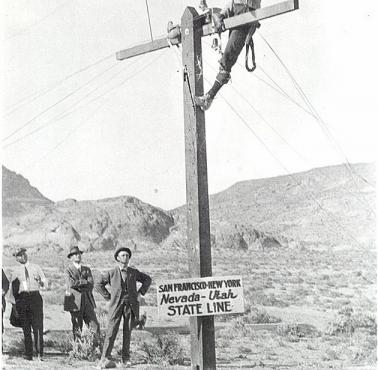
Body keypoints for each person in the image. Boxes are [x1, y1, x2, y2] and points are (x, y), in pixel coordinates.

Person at [195, 0, 262, 110]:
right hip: (237, 12)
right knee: (226, 59)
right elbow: (231, 3)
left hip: (247, 16)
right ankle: (208, 98)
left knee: (227, 60)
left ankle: (209, 97)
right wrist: (222, 14)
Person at [96, 246, 151, 368]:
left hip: (130, 305)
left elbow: (147, 279)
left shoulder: (133, 272)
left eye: (127, 255)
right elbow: (98, 284)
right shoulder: (112, 272)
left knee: (128, 331)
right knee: (111, 330)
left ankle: (126, 359)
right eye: (123, 255)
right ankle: (105, 358)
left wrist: (140, 293)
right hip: (116, 305)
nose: (125, 257)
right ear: (117, 258)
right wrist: (109, 297)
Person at [11, 248, 48, 361]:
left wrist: (40, 281)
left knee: (38, 326)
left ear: (25, 254)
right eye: (18, 256)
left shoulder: (36, 267)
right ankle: (29, 354)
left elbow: (45, 284)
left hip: (35, 297)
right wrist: (15, 304)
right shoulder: (16, 271)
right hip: (22, 299)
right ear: (16, 259)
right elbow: (13, 288)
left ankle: (39, 353)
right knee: (26, 327)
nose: (21, 257)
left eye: (22, 254)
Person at [64, 246, 100, 342]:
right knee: (77, 327)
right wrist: (84, 282)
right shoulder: (68, 270)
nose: (78, 256)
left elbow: (91, 284)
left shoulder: (87, 269)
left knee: (95, 326)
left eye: (79, 254)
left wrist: (78, 283)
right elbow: (70, 284)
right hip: (75, 303)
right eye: (75, 254)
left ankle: (95, 349)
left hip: (87, 301)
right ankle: (77, 350)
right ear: (71, 257)